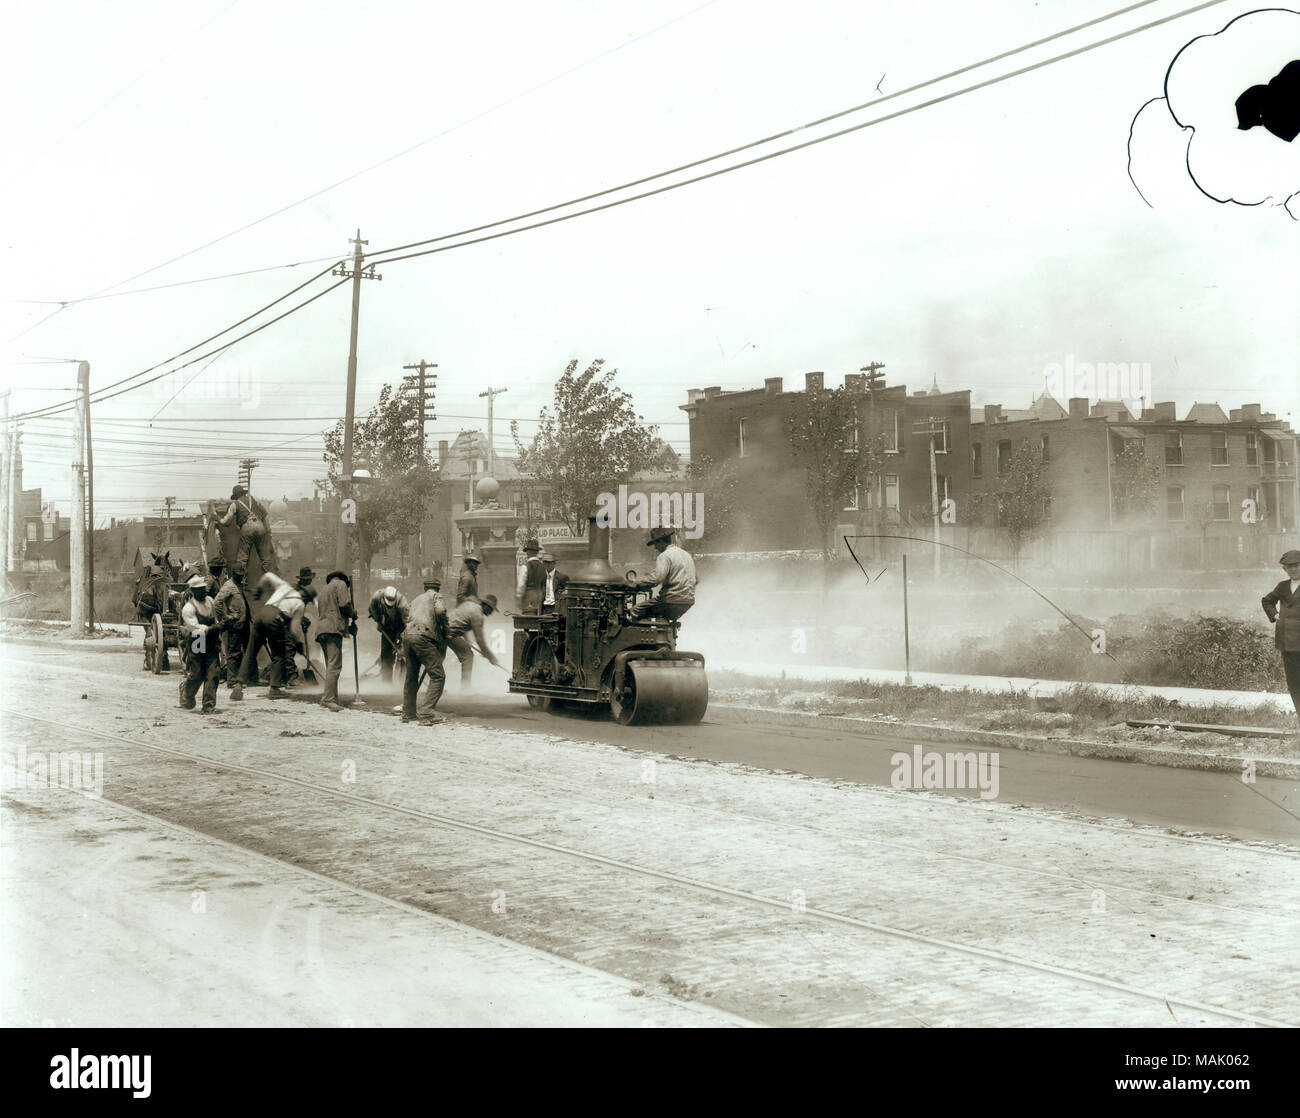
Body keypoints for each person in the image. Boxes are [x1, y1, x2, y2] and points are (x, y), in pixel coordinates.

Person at [402, 578, 449, 724]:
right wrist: (446, 629)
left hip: (408, 636)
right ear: (438, 589)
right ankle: (426, 713)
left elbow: (406, 615)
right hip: (423, 636)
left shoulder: (416, 599)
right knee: (438, 676)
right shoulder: (436, 596)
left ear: (425, 588)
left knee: (411, 676)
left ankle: (408, 713)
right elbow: (440, 611)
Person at [629, 525, 697, 623]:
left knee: (636, 610)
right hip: (688, 602)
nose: (655, 548)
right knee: (660, 614)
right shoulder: (686, 555)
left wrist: (636, 584)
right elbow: (696, 579)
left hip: (671, 600)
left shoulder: (665, 556)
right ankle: (663, 631)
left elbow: (656, 578)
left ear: (660, 541)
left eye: (655, 544)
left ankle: (638, 636)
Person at [1262, 549, 1300, 718]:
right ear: (1285, 569)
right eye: (1289, 567)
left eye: (1296, 566)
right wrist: (1275, 615)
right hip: (1287, 642)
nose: (1293, 569)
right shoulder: (1282, 586)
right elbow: (1267, 600)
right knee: (1293, 683)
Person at [314, 569, 357, 712]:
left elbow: (332, 612)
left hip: (321, 630)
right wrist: (353, 614)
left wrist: (349, 628)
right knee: (335, 666)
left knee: (330, 666)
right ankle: (328, 700)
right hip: (332, 630)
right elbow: (344, 605)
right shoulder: (341, 585)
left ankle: (333, 697)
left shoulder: (323, 590)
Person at [179, 574, 221, 713]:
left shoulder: (210, 600)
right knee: (197, 673)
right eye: (200, 589)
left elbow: (215, 618)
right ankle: (186, 691)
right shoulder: (188, 608)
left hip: (211, 639)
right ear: (192, 591)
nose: (204, 591)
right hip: (198, 639)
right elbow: (196, 628)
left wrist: (220, 625)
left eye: (204, 588)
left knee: (213, 672)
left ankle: (208, 705)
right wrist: (212, 628)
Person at [216, 485, 277, 576]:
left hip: (247, 528)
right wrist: (268, 530)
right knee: (265, 557)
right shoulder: (255, 499)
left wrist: (217, 519)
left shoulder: (235, 504)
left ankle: (241, 579)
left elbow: (226, 522)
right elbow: (265, 515)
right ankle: (270, 578)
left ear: (236, 496)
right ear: (243, 494)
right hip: (260, 527)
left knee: (242, 556)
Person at [446, 593, 503, 689]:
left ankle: (435, 686)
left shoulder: (469, 605)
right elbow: (480, 641)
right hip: (448, 634)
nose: (491, 612)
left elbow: (460, 622)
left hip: (442, 630)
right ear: (485, 606)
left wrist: (468, 641)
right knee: (468, 656)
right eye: (491, 609)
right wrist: (491, 657)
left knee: (438, 660)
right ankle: (465, 689)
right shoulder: (477, 615)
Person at [213, 564, 249, 702]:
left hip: (243, 623)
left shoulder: (240, 585)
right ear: (233, 574)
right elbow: (217, 603)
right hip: (234, 623)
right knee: (233, 652)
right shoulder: (229, 586)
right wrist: (225, 617)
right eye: (238, 575)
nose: (240, 577)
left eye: (242, 575)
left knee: (242, 651)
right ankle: (232, 681)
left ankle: (241, 678)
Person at [368, 585, 410, 683]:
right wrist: (378, 621)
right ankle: (386, 681)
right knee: (386, 654)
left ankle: (403, 681)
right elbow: (373, 609)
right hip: (387, 625)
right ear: (384, 598)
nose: (390, 605)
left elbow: (408, 622)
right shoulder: (376, 597)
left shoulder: (403, 603)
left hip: (401, 625)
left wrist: (404, 636)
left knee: (404, 653)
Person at [518, 538, 545, 613]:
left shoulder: (525, 567)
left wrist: (519, 597)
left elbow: (521, 585)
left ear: (528, 552)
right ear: (536, 552)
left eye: (527, 551)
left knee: (528, 617)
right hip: (540, 595)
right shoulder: (543, 567)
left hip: (528, 595)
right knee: (538, 616)